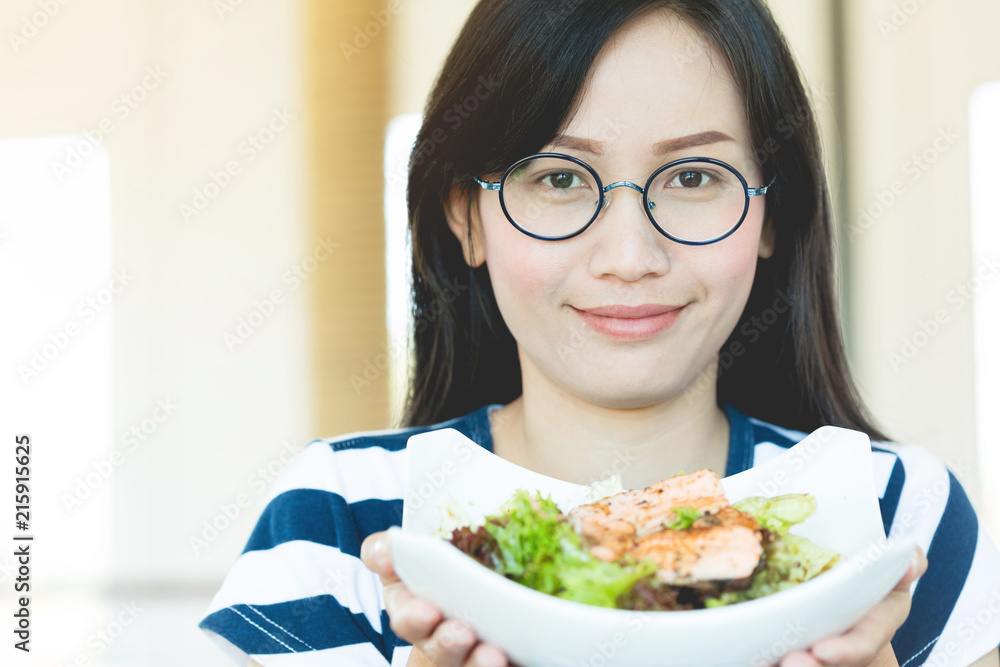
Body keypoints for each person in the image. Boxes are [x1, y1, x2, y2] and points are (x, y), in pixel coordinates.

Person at [198, 1, 1000, 665]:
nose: (629, 257)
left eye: (693, 177)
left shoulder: (898, 517)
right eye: (557, 178)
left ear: (771, 213)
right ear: (465, 219)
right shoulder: (342, 519)